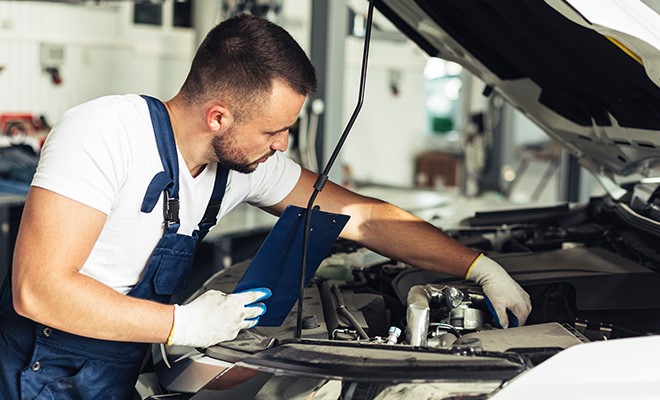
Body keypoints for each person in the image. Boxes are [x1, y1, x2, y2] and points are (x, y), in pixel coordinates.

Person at [0, 13, 531, 400]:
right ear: (218, 117)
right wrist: (181, 324)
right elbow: (39, 290)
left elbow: (363, 217)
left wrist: (479, 267)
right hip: (38, 372)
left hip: (115, 368)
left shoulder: (241, 164)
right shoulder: (103, 132)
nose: (282, 146)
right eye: (274, 131)